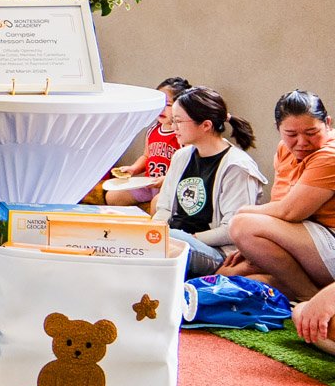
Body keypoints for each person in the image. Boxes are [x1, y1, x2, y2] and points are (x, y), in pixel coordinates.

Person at [225, 91, 335, 300]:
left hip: (329, 241)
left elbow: (290, 211)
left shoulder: (330, 155)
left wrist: (245, 217)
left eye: (311, 132)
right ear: (279, 130)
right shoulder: (285, 150)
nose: (302, 142)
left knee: (241, 224)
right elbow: (278, 204)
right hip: (310, 243)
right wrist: (254, 246)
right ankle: (315, 294)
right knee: (233, 275)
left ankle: (309, 299)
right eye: (291, 134)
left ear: (327, 123)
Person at [152, 85, 264, 276]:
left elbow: (232, 230)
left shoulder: (237, 166)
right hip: (175, 238)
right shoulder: (182, 156)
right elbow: (164, 209)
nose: (173, 127)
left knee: (168, 242)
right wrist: (151, 233)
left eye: (178, 121)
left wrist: (186, 237)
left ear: (205, 125)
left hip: (215, 251)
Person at [89, 77, 191, 206]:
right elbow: (146, 156)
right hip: (149, 184)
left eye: (168, 105)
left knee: (157, 203)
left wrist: (168, 179)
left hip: (171, 184)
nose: (162, 108)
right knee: (112, 197)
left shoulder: (182, 134)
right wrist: (133, 169)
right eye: (159, 102)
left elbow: (188, 165)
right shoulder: (153, 130)